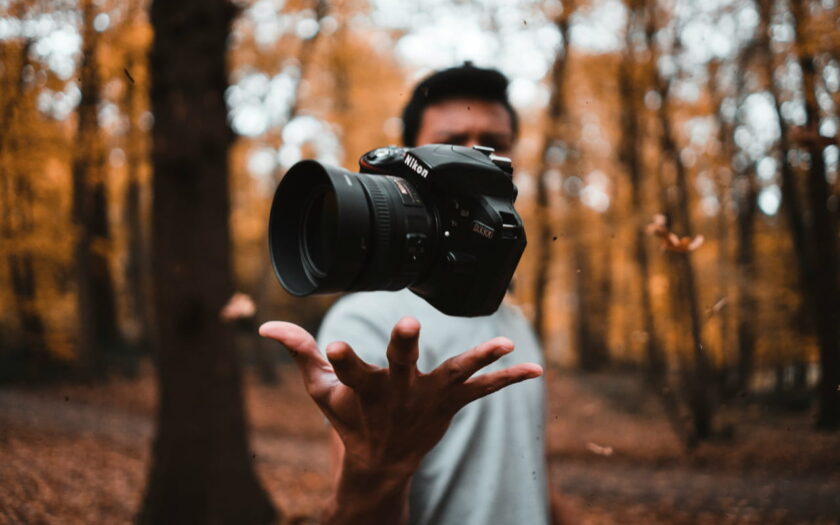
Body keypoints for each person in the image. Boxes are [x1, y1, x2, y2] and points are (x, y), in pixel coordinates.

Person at [260, 63, 566, 525]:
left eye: (493, 145)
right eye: (453, 142)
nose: (475, 159)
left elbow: (531, 478)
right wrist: (379, 469)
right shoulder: (368, 318)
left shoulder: (510, 316)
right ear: (410, 158)